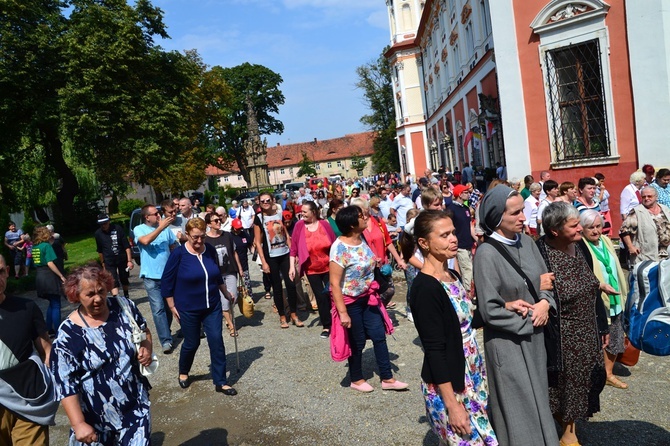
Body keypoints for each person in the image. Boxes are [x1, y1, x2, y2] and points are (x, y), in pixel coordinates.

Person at [472, 185, 558, 446]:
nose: (523, 217)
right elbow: (490, 310)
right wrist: (532, 319)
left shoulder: (528, 242)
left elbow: (546, 284)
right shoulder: (486, 255)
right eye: (516, 213)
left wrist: (544, 304)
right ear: (497, 218)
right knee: (518, 407)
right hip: (507, 343)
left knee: (538, 400)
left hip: (535, 339)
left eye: (523, 211)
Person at [409, 210, 497, 445]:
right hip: (450, 382)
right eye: (444, 235)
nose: (453, 239)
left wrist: (506, 306)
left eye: (454, 233)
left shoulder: (452, 275)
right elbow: (435, 349)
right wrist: (452, 404)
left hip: (471, 371)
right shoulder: (425, 289)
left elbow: (467, 320)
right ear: (424, 243)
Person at [51, 264, 154, 445]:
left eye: (101, 291)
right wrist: (79, 423)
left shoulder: (124, 308)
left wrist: (146, 348)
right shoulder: (68, 335)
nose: (98, 298)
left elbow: (144, 331)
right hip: (94, 420)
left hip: (135, 408)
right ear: (76, 295)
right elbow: (65, 384)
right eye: (90, 294)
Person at [536, 202, 608, 446]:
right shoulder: (540, 254)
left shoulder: (580, 247)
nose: (581, 228)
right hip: (563, 335)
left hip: (588, 329)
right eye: (574, 225)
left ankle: (569, 424)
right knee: (566, 384)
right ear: (555, 230)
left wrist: (603, 324)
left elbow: (592, 284)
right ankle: (568, 433)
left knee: (588, 380)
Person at [329, 205, 408, 393]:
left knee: (379, 335)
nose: (365, 218)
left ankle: (387, 378)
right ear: (350, 224)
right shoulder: (339, 248)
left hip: (369, 297)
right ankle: (356, 378)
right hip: (350, 301)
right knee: (357, 341)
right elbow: (334, 284)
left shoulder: (361, 239)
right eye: (360, 216)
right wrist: (343, 313)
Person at [161, 218, 237, 395]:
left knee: (216, 340)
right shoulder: (178, 254)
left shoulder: (209, 250)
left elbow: (216, 274)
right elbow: (167, 282)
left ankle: (220, 381)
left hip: (212, 305)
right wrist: (172, 306)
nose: (199, 241)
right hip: (188, 307)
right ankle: (184, 371)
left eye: (202, 237)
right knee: (192, 342)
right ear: (187, 235)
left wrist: (225, 292)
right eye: (195, 237)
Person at [0, 254, 57, 446]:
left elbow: (46, 350)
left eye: (0, 271)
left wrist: (53, 385)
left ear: (7, 272)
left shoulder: (27, 307)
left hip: (29, 396)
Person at [580, 210, 629, 390]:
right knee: (598, 338)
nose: (595, 231)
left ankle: (608, 374)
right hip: (598, 301)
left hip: (615, 298)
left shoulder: (606, 241)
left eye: (598, 226)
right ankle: (593, 375)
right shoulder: (581, 246)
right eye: (590, 227)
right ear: (582, 229)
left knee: (615, 335)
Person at [288, 200, 336, 338]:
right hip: (311, 269)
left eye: (304, 211)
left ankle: (337, 320)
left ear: (313, 212)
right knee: (320, 296)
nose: (301, 213)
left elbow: (335, 243)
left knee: (331, 294)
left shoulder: (324, 225)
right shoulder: (299, 226)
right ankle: (327, 325)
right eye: (301, 211)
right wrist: (292, 267)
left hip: (329, 266)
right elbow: (294, 249)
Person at [134, 204, 178, 354]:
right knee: (158, 309)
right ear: (147, 217)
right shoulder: (139, 229)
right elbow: (145, 241)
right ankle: (166, 341)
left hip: (168, 276)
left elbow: (174, 246)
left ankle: (166, 329)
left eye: (159, 213)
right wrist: (160, 228)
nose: (159, 215)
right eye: (155, 214)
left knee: (169, 308)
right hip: (151, 277)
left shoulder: (166, 230)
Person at [254, 192, 299, 328]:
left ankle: (294, 314)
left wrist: (293, 253)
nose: (266, 202)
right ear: (260, 203)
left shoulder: (280, 214)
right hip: (271, 257)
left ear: (273, 200)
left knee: (291, 285)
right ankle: (282, 316)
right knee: (277, 288)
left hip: (284, 253)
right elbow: (257, 242)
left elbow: (285, 233)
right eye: (263, 201)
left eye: (268, 200)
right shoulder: (258, 218)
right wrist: (264, 262)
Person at [205, 213, 244, 337]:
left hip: (230, 269)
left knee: (233, 297)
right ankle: (231, 324)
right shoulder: (205, 240)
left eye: (219, 219)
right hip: (216, 274)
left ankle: (228, 317)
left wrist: (240, 268)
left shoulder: (227, 235)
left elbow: (234, 252)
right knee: (223, 300)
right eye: (215, 220)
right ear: (208, 224)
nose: (218, 222)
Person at [619, 186, 670, 264]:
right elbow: (624, 231)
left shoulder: (665, 209)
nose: (646, 198)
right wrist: (630, 247)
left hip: (667, 255)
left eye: (649, 196)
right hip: (647, 256)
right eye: (643, 197)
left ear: (656, 197)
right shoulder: (637, 211)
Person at [32, 226, 66, 337]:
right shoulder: (46, 246)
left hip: (39, 277)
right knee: (56, 304)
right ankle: (58, 331)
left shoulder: (35, 247)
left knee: (51, 303)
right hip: (49, 277)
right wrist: (61, 275)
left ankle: (48, 328)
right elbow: (50, 263)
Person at [94, 213, 133, 298]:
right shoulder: (98, 234)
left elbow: (126, 246)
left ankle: (126, 295)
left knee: (124, 277)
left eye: (105, 223)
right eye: (101, 224)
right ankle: (117, 299)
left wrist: (129, 260)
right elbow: (100, 250)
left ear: (108, 222)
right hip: (109, 261)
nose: (103, 226)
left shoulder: (117, 229)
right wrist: (103, 263)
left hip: (122, 258)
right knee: (112, 280)